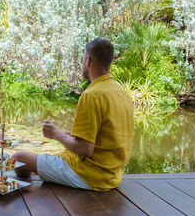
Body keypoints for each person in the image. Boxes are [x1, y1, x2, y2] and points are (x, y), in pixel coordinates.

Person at [12, 38, 134, 191]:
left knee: (18, 159)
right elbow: (108, 135)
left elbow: (85, 149)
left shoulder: (91, 95)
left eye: (83, 59)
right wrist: (71, 135)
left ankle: (49, 184)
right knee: (46, 158)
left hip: (88, 175)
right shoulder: (121, 92)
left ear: (88, 60)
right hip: (112, 175)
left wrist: (56, 134)